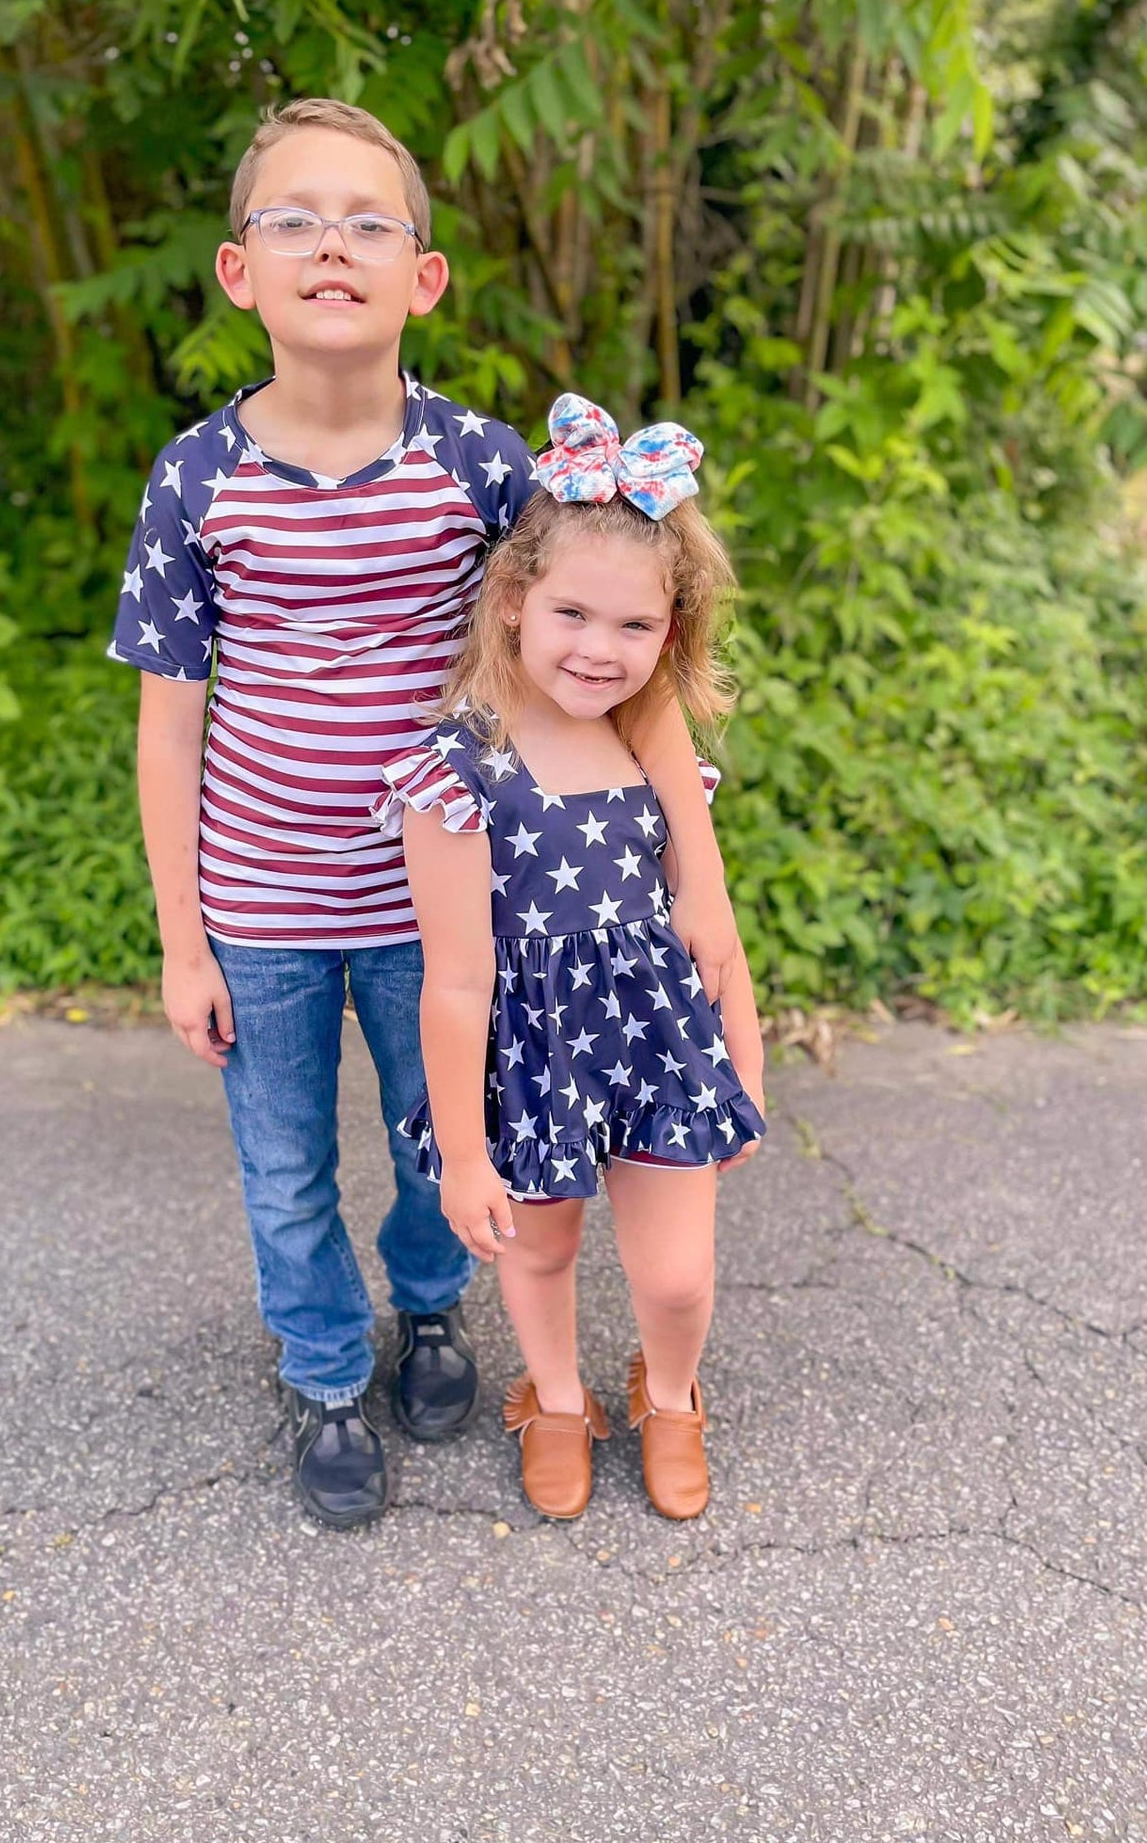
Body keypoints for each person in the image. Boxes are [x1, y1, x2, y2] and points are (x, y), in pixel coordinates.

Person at [111, 98, 742, 1531]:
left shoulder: (479, 464)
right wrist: (182, 936)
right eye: (294, 220)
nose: (331, 247)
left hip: (453, 900)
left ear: (423, 274)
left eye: (368, 223)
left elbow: (606, 660)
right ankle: (328, 1371)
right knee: (282, 1164)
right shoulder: (196, 478)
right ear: (237, 270)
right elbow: (169, 713)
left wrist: (692, 870)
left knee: (444, 1137)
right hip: (262, 898)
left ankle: (438, 1309)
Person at [375, 394, 767, 1524]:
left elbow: (712, 932)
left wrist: (740, 1065)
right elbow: (454, 981)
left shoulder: (656, 746)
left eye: (633, 627)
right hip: (531, 1057)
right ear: (512, 601)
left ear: (669, 632)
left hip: (652, 1044)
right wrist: (460, 1153)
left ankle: (670, 1390)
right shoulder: (456, 770)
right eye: (571, 614)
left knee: (676, 1273)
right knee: (538, 1254)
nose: (598, 650)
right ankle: (552, 1398)